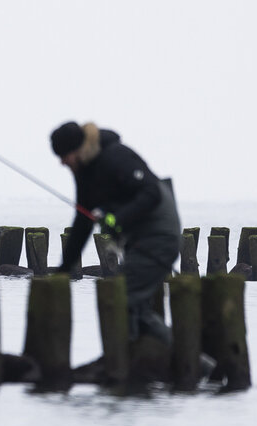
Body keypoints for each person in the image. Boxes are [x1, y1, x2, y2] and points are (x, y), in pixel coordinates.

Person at [51, 121, 181, 345]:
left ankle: (132, 362)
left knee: (123, 300)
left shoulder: (114, 157)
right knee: (135, 307)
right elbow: (83, 221)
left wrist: (117, 219)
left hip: (159, 237)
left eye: (64, 155)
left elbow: (151, 192)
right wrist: (64, 269)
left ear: (77, 149)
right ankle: (183, 361)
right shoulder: (84, 171)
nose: (62, 162)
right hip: (138, 240)